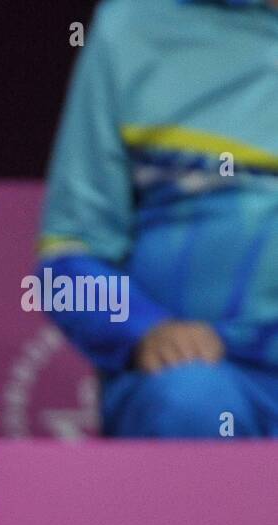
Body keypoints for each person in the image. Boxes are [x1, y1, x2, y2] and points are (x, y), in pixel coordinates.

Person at [37, 0, 278, 437]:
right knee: (191, 403)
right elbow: (68, 260)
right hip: (208, 378)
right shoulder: (131, 25)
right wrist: (147, 329)